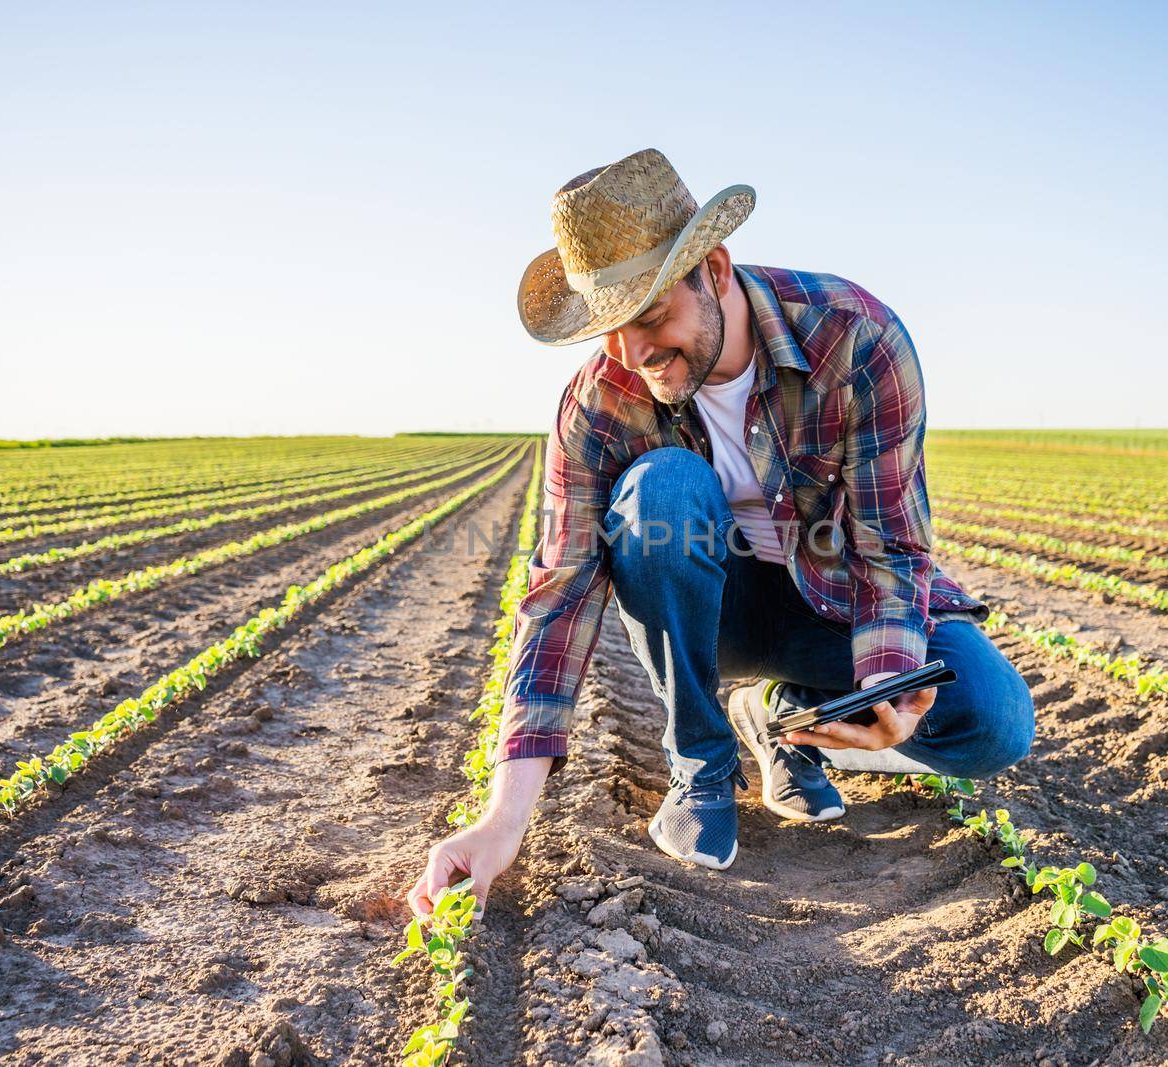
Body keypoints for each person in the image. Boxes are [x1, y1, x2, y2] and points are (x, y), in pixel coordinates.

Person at [409, 148, 1034, 913]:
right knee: (665, 488)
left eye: (649, 315)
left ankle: (781, 716)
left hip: (831, 606)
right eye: (608, 331)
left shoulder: (857, 339)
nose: (633, 355)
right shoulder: (599, 402)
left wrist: (882, 685)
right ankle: (701, 765)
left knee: (993, 721)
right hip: (708, 617)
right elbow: (558, 595)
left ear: (714, 269)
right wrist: (503, 817)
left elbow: (890, 542)